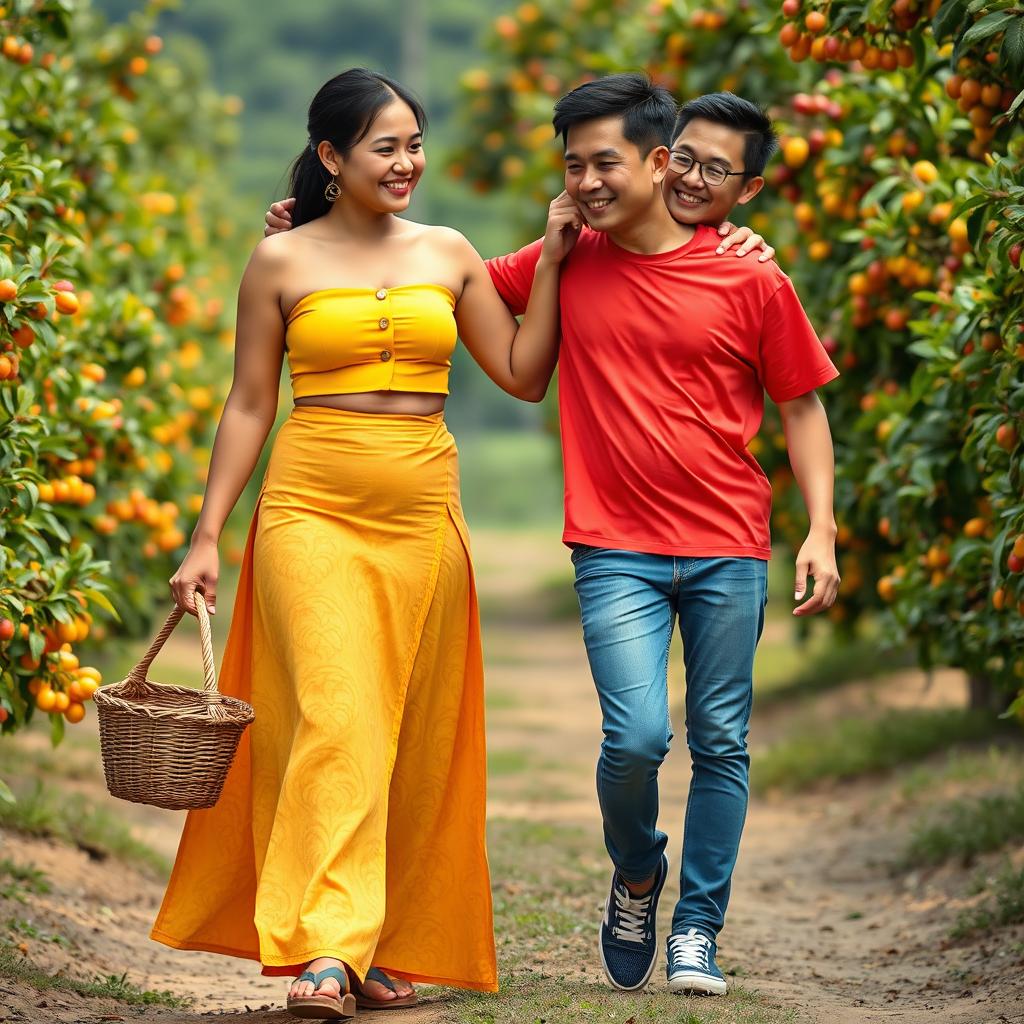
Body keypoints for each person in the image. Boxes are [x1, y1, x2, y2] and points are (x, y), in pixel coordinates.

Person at [262, 79, 792, 1003]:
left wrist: (818, 528)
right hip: (540, 533)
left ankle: (690, 930)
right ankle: (619, 877)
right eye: (572, 165)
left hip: (678, 535)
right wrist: (315, 229)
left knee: (710, 741)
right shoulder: (537, 252)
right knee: (615, 738)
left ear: (654, 164)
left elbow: (526, 369)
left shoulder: (736, 270)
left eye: (413, 143)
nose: (584, 182)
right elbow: (381, 306)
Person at [153, 67, 581, 1021]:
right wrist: (206, 536)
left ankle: (374, 944)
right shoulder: (279, 261)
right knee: (337, 717)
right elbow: (250, 403)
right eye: (386, 146)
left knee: (406, 733)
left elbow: (520, 372)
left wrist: (550, 266)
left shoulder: (449, 250)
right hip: (308, 507)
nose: (408, 163)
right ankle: (325, 951)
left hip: (423, 515)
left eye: (415, 144)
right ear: (331, 157)